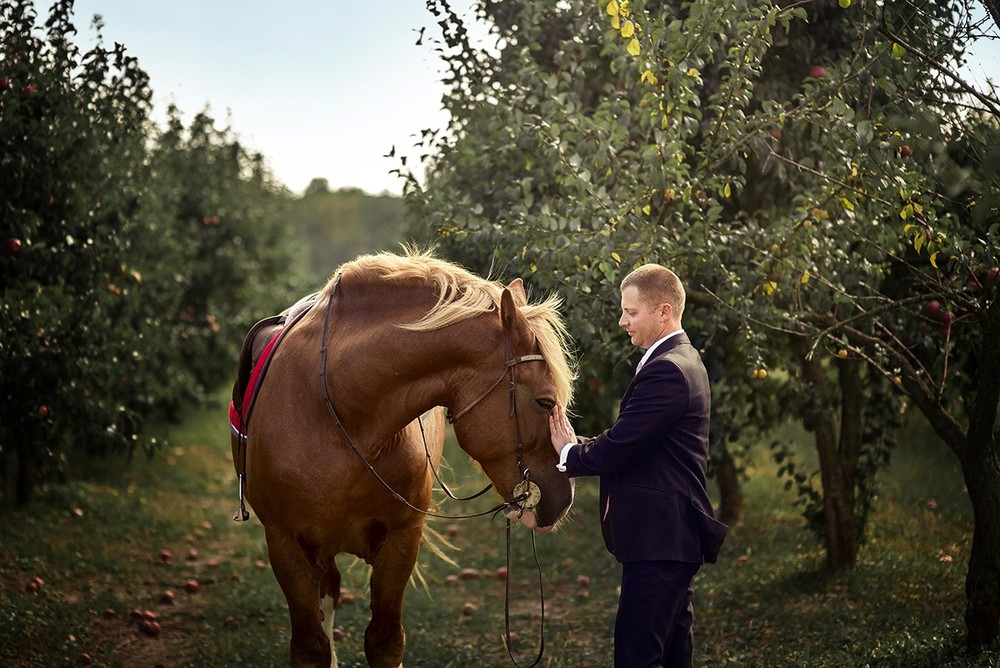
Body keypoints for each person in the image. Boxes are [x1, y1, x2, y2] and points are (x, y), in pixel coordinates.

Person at [549, 263, 727, 668]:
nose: (621, 320)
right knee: (672, 655)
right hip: (668, 539)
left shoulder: (668, 369)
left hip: (659, 541)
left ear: (663, 311)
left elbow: (623, 446)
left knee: (638, 658)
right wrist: (578, 443)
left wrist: (569, 455)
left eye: (631, 312)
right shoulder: (682, 359)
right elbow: (635, 438)